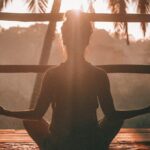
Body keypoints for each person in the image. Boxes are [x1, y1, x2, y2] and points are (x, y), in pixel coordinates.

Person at [0, 10, 150, 150]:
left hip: (60, 144)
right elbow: (111, 115)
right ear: (87, 40)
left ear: (63, 39)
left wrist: (6, 112)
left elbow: (37, 114)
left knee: (29, 121)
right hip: (91, 142)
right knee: (117, 119)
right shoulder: (98, 74)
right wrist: (145, 109)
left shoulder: (52, 74)